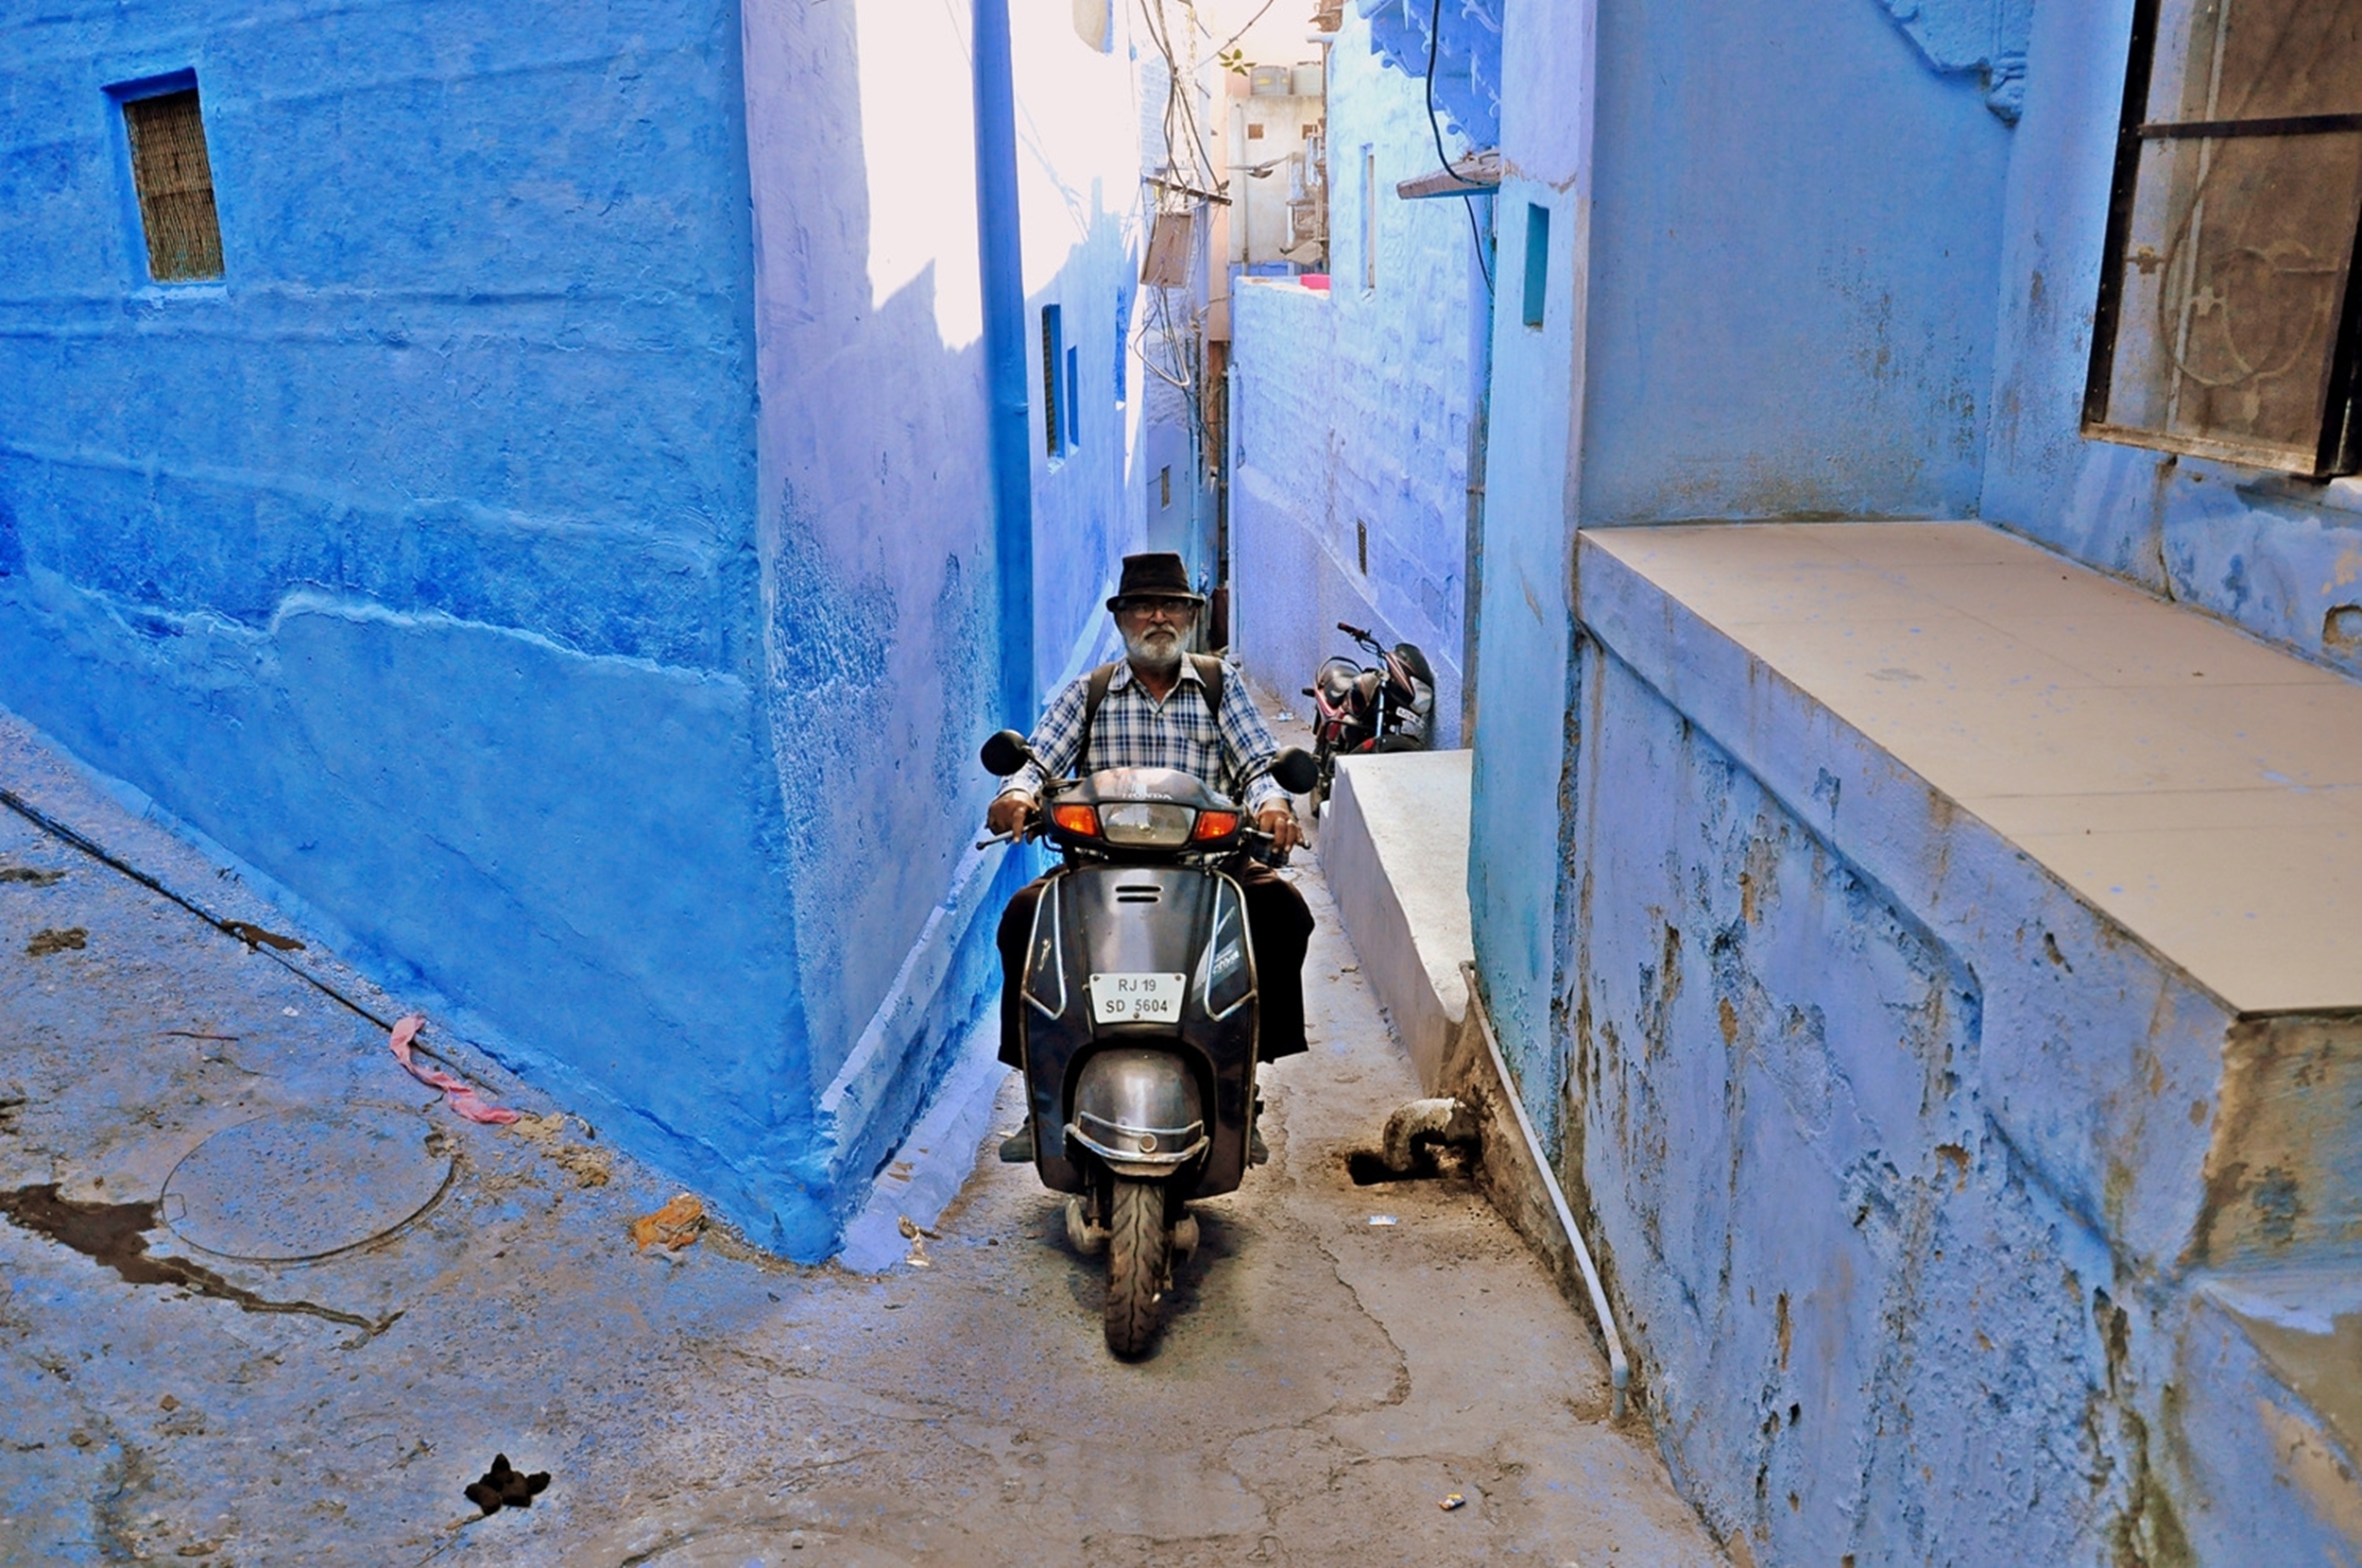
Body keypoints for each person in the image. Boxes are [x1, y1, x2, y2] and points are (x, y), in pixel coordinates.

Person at [986, 553, 1314, 1162]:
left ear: (1190, 616)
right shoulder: (1089, 692)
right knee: (1023, 921)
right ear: (1122, 619)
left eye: (1172, 606)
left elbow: (1258, 762)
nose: (1158, 617)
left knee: (1283, 911)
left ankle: (1243, 1083)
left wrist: (1272, 805)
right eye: (1143, 606)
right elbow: (1041, 759)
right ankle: (1040, 1093)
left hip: (1209, 864)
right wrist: (1017, 794)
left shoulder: (1220, 686)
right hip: (1099, 864)